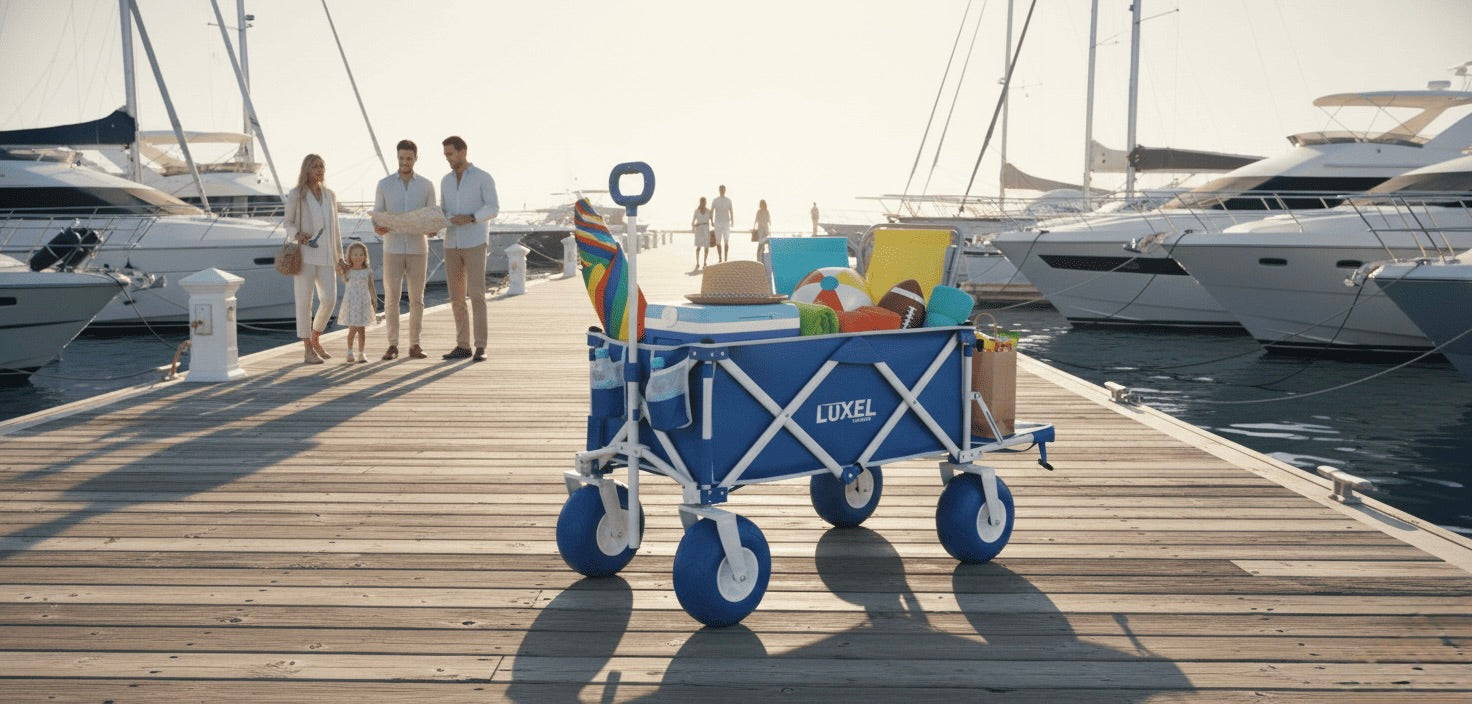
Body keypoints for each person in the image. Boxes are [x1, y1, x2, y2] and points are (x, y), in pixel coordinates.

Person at [372, 139, 436, 360]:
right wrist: (378, 227)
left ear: (416, 159)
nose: (405, 162)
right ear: (397, 157)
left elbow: (432, 218)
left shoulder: (426, 185)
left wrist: (432, 229)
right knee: (391, 298)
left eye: (409, 158)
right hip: (393, 247)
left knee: (417, 299)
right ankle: (392, 345)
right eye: (401, 158)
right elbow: (378, 215)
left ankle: (415, 344)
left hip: (419, 248)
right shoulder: (384, 184)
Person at [439, 135, 499, 362]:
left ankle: (481, 346)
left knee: (476, 295)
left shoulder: (483, 178)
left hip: (475, 241)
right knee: (456, 297)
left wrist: (472, 217)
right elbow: (443, 210)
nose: (447, 158)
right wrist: (438, 222)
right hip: (451, 242)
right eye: (445, 155)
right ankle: (462, 345)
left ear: (463, 152)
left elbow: (493, 208)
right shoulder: (445, 181)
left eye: (450, 154)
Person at [284, 153, 345, 364]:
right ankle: (307, 349)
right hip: (305, 255)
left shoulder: (330, 195)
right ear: (306, 170)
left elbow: (335, 229)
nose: (319, 170)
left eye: (322, 166)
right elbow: (288, 223)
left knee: (329, 299)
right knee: (304, 303)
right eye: (315, 166)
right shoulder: (296, 194)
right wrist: (296, 235)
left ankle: (316, 337)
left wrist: (340, 257)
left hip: (327, 256)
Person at [338, 241, 378, 364]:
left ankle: (361, 353)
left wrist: (374, 299)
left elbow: (371, 287)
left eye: (361, 254)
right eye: (355, 254)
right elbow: (340, 272)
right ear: (349, 256)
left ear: (365, 256)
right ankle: (349, 352)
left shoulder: (367, 271)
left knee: (362, 330)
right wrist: (341, 265)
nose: (358, 257)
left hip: (363, 302)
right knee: (352, 329)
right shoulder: (347, 271)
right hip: (352, 303)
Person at [711, 184, 733, 263]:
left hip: (726, 223)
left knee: (726, 241)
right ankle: (720, 258)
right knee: (718, 242)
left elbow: (731, 211)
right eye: (721, 189)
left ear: (725, 190)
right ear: (719, 190)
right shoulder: (715, 200)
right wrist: (711, 221)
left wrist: (732, 221)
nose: (722, 191)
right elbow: (712, 210)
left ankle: (726, 258)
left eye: (723, 189)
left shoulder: (728, 200)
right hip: (717, 223)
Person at [691, 196, 712, 271]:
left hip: (706, 229)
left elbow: (712, 223)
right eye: (702, 202)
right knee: (698, 247)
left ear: (706, 203)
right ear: (700, 202)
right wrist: (694, 225)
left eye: (704, 202)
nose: (703, 203)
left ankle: (705, 262)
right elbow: (692, 223)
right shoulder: (696, 211)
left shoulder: (709, 211)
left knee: (706, 247)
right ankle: (697, 262)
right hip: (699, 229)